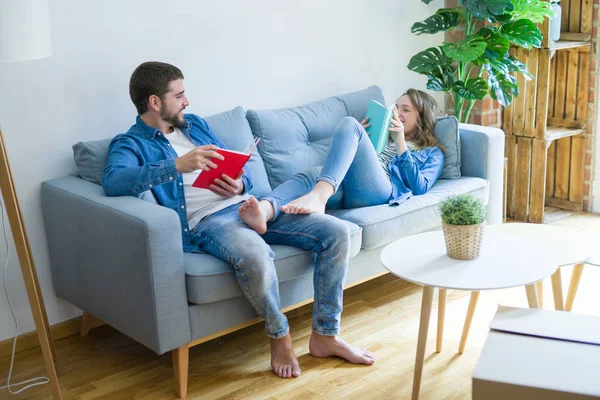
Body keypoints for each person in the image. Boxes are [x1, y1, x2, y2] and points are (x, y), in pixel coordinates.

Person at [102, 61, 375, 379]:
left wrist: (238, 185)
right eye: (179, 95)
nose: (187, 101)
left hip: (247, 205)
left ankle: (326, 335)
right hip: (210, 221)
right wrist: (177, 164)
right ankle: (279, 335)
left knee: (338, 231)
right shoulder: (131, 143)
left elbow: (236, 169)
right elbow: (114, 181)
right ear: (154, 102)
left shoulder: (196, 125)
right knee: (255, 254)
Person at [238, 89, 445, 235]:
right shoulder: (384, 137)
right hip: (352, 186)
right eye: (396, 107)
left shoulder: (432, 153)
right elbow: (354, 164)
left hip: (383, 190)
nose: (397, 114)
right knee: (313, 174)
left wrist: (400, 143)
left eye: (406, 110)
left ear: (422, 116)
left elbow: (420, 187)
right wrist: (363, 140)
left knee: (349, 123)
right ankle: (264, 210)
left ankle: (319, 197)